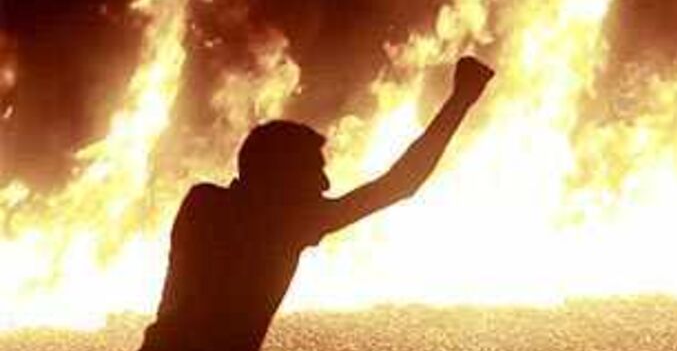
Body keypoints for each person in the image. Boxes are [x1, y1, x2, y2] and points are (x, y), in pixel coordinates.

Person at [139, 56, 495, 351]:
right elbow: (400, 183)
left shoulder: (203, 203)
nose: (324, 183)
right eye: (313, 172)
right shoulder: (284, 226)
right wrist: (460, 100)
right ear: (281, 178)